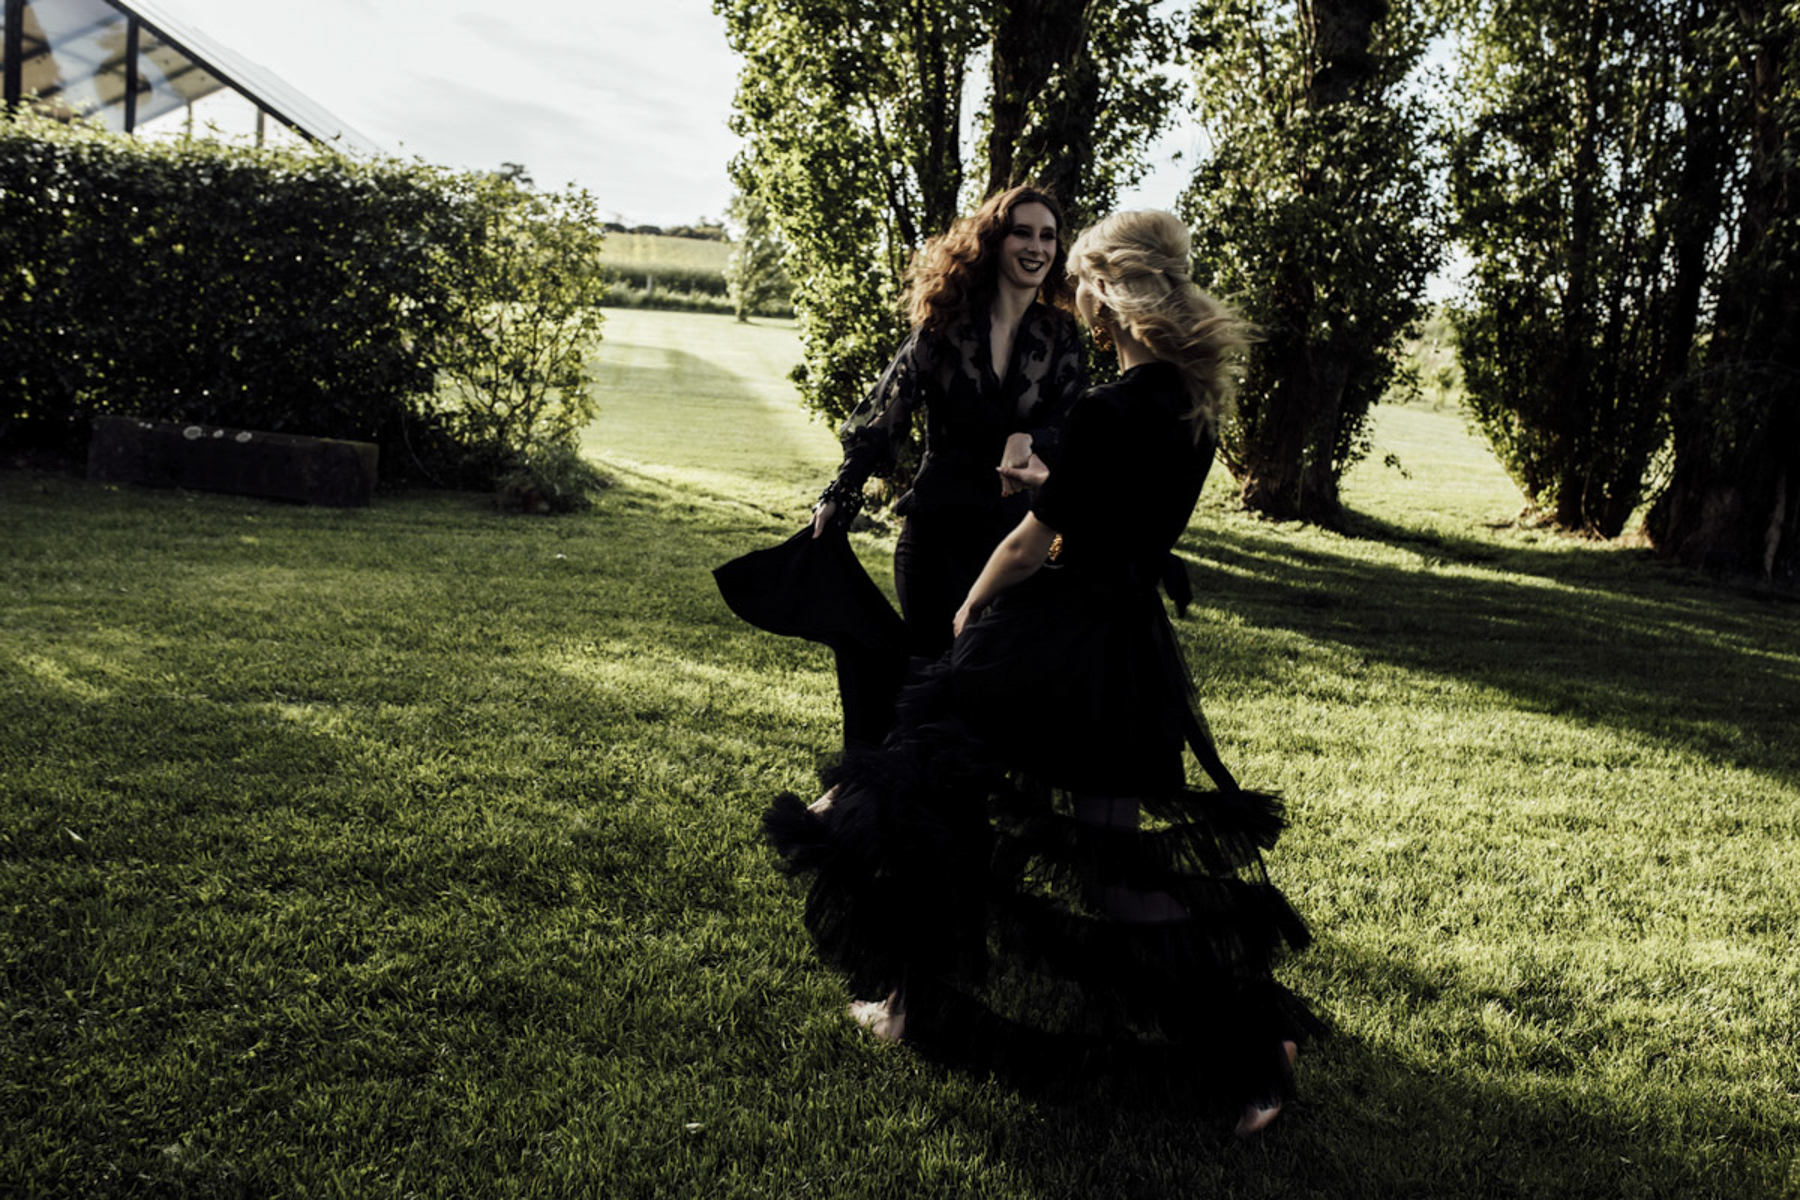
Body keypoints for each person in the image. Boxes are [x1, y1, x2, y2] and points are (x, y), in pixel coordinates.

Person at [762, 210, 1319, 1136]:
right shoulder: (1192, 407)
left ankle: (900, 997)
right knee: (1114, 870)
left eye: (1086, 279)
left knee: (923, 787)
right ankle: (1255, 1051)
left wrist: (974, 604)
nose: (1079, 299)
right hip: (1128, 653)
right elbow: (1120, 514)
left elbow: (1031, 545)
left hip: (1050, 639)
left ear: (1112, 288)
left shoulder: (1107, 408)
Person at [811, 185, 1088, 663]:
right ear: (994, 242)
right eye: (1022, 233)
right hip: (934, 533)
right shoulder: (944, 325)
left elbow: (1073, 423)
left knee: (988, 683)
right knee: (923, 674)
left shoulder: (1061, 334)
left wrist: (1028, 438)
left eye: (1048, 236)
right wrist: (841, 493)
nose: (1037, 247)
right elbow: (885, 414)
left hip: (1013, 542)